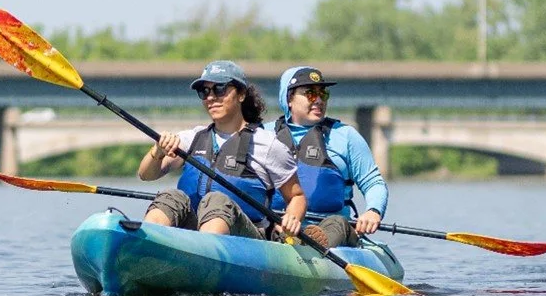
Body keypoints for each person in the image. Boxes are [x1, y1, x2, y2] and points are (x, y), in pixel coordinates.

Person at [138, 60, 306, 240]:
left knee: (217, 201)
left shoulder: (268, 145)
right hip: (192, 234)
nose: (211, 97)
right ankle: (147, 245)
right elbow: (146, 175)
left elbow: (297, 196)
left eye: (220, 89)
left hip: (246, 239)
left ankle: (205, 252)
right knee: (170, 196)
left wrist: (291, 218)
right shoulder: (192, 138)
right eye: (204, 91)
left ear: (241, 94)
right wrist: (157, 151)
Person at [266, 65, 390, 249]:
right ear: (289, 98)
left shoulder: (346, 136)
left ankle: (312, 244)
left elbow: (373, 183)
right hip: (279, 227)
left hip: (332, 229)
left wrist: (373, 211)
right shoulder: (264, 135)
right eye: (309, 93)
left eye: (322, 94)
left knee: (337, 223)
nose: (318, 100)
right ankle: (289, 241)